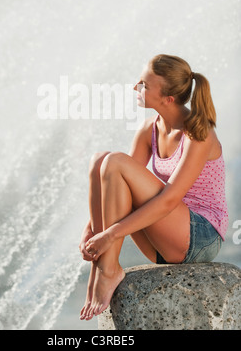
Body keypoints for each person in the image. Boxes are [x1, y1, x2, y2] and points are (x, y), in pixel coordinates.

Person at [78, 54, 228, 321]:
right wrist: (91, 228)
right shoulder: (150, 128)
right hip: (165, 237)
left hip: (200, 236)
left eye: (144, 85)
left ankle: (108, 269)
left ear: (168, 99)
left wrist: (110, 234)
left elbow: (169, 200)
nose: (136, 88)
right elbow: (112, 182)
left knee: (113, 161)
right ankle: (102, 267)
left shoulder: (198, 132)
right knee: (100, 161)